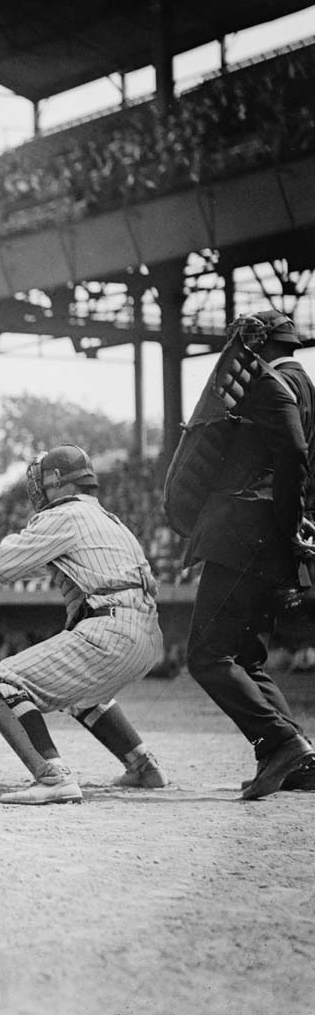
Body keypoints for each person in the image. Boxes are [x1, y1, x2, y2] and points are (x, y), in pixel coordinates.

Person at [0, 445, 167, 804]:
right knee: (82, 695)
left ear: (55, 480)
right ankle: (144, 765)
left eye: (42, 480)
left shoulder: (65, 515)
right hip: (147, 636)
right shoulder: (112, 522)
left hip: (110, 628)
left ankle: (52, 777)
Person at [176, 310, 315, 798]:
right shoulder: (305, 387)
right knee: (250, 659)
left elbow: (294, 456)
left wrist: (284, 523)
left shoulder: (271, 384)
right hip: (267, 542)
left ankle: (279, 743)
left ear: (260, 343)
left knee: (207, 656)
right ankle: (299, 761)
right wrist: (291, 527)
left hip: (243, 536)